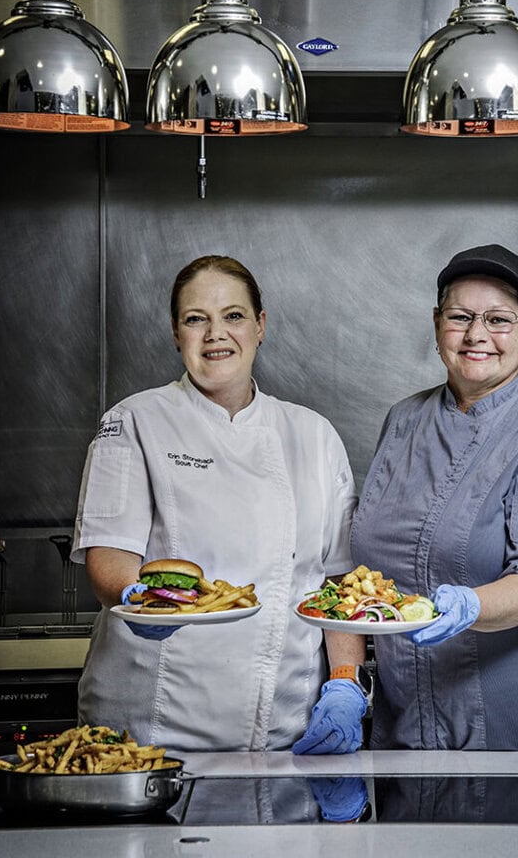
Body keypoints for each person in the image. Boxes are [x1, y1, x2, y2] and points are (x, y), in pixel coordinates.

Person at [71, 255, 369, 753]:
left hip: (288, 728)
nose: (216, 334)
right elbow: (109, 563)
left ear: (260, 326)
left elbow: (337, 586)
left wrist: (344, 683)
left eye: (233, 316)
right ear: (175, 333)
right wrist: (144, 604)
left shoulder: (313, 435)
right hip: (155, 733)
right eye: (195, 319)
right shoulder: (134, 422)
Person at [350, 244, 518, 751]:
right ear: (436, 323)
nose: (476, 335)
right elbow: (360, 566)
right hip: (407, 727)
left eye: (499, 319)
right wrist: (345, 682)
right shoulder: (403, 421)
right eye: (461, 316)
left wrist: (468, 606)